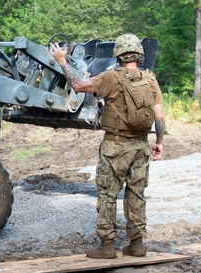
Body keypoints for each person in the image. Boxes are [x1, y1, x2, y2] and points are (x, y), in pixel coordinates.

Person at [50, 33, 165, 259]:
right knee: (136, 194)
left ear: (118, 55)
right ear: (139, 55)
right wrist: (159, 142)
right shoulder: (151, 79)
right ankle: (137, 244)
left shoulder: (111, 78)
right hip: (141, 146)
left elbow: (79, 85)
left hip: (115, 145)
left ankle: (107, 246)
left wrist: (62, 60)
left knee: (107, 195)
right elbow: (159, 116)